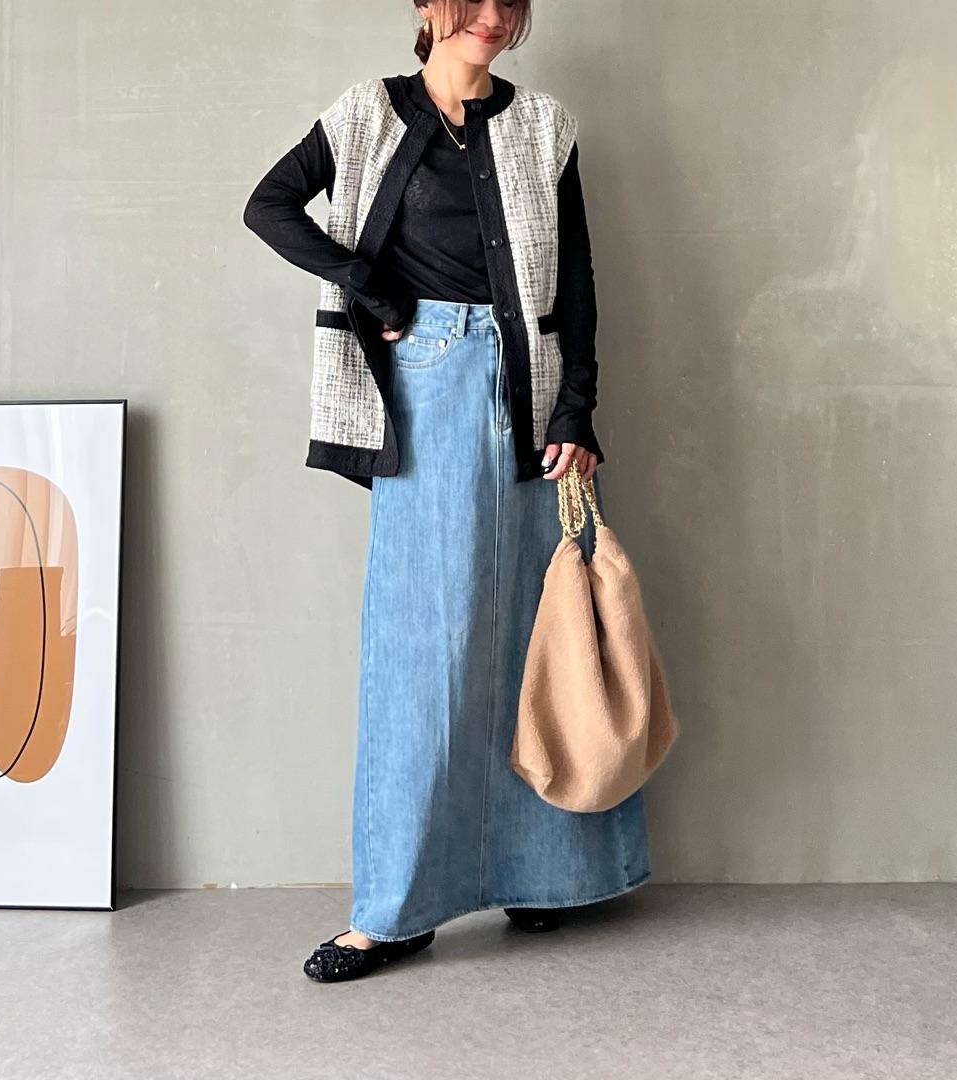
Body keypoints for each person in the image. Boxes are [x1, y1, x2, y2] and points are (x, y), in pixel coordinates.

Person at [242, 0, 652, 983]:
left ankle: (542, 877)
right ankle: (396, 909)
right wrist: (369, 285)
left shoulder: (544, 126)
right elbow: (269, 206)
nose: (491, 16)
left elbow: (578, 280)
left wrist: (576, 409)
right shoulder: (366, 114)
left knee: (536, 633)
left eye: (508, 0)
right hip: (425, 386)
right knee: (422, 650)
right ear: (426, 7)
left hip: (530, 391)